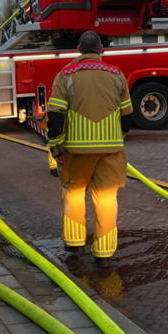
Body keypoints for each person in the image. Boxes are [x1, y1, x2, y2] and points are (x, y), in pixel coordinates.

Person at [47, 31, 133, 268]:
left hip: (76, 150)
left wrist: (56, 146)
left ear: (78, 49)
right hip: (111, 150)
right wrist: (119, 137)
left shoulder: (65, 75)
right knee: (106, 198)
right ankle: (104, 253)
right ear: (101, 49)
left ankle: (75, 242)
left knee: (73, 193)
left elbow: (55, 116)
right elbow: (127, 115)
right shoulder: (117, 75)